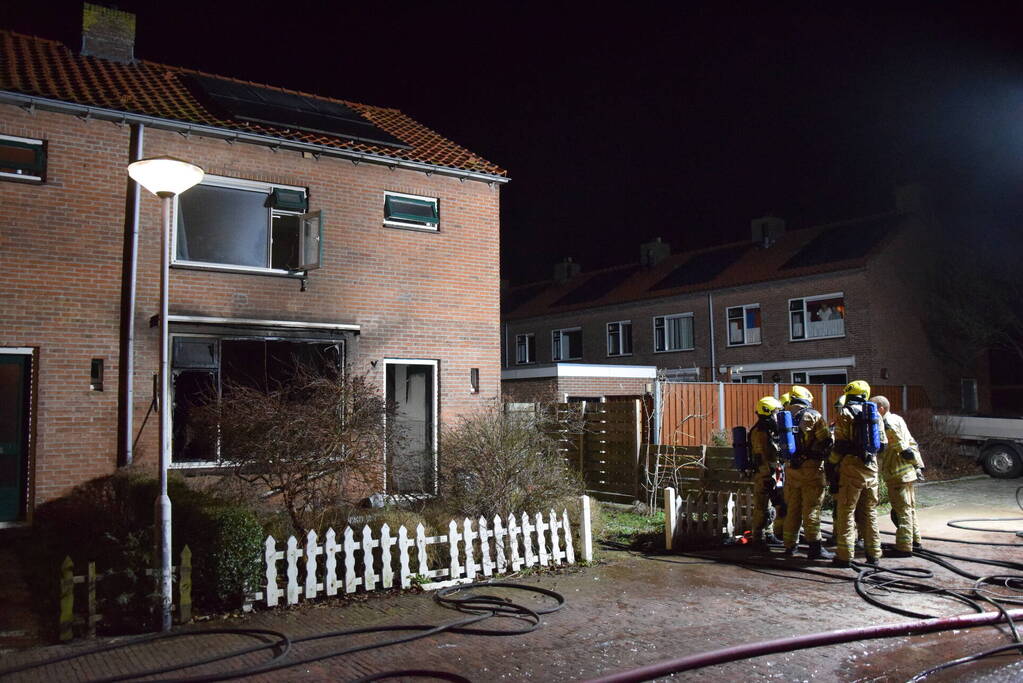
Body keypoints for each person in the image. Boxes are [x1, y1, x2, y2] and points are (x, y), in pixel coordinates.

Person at [828, 380, 884, 568]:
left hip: (851, 470)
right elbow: (882, 445)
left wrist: (832, 464)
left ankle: (844, 556)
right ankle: (874, 554)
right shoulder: (875, 413)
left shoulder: (844, 413)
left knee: (846, 512)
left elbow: (840, 445)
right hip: (871, 470)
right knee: (869, 513)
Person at [782, 386, 834, 559]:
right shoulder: (813, 415)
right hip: (811, 470)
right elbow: (826, 440)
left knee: (793, 509)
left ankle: (790, 546)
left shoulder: (784, 415)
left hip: (792, 470)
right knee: (811, 508)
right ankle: (815, 547)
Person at [873, 395, 924, 557]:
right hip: (908, 472)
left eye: (873, 408)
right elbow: (911, 443)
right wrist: (917, 466)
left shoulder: (887, 424)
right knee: (909, 509)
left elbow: (902, 447)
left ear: (881, 408)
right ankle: (915, 541)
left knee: (901, 511)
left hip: (897, 474)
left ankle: (904, 547)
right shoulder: (898, 418)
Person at [749, 396, 786, 547]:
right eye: (776, 412)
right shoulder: (759, 432)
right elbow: (760, 456)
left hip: (772, 472)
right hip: (763, 475)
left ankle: (769, 533)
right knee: (761, 507)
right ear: (768, 412)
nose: (777, 415)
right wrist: (767, 477)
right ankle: (757, 537)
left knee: (770, 506)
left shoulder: (769, 430)